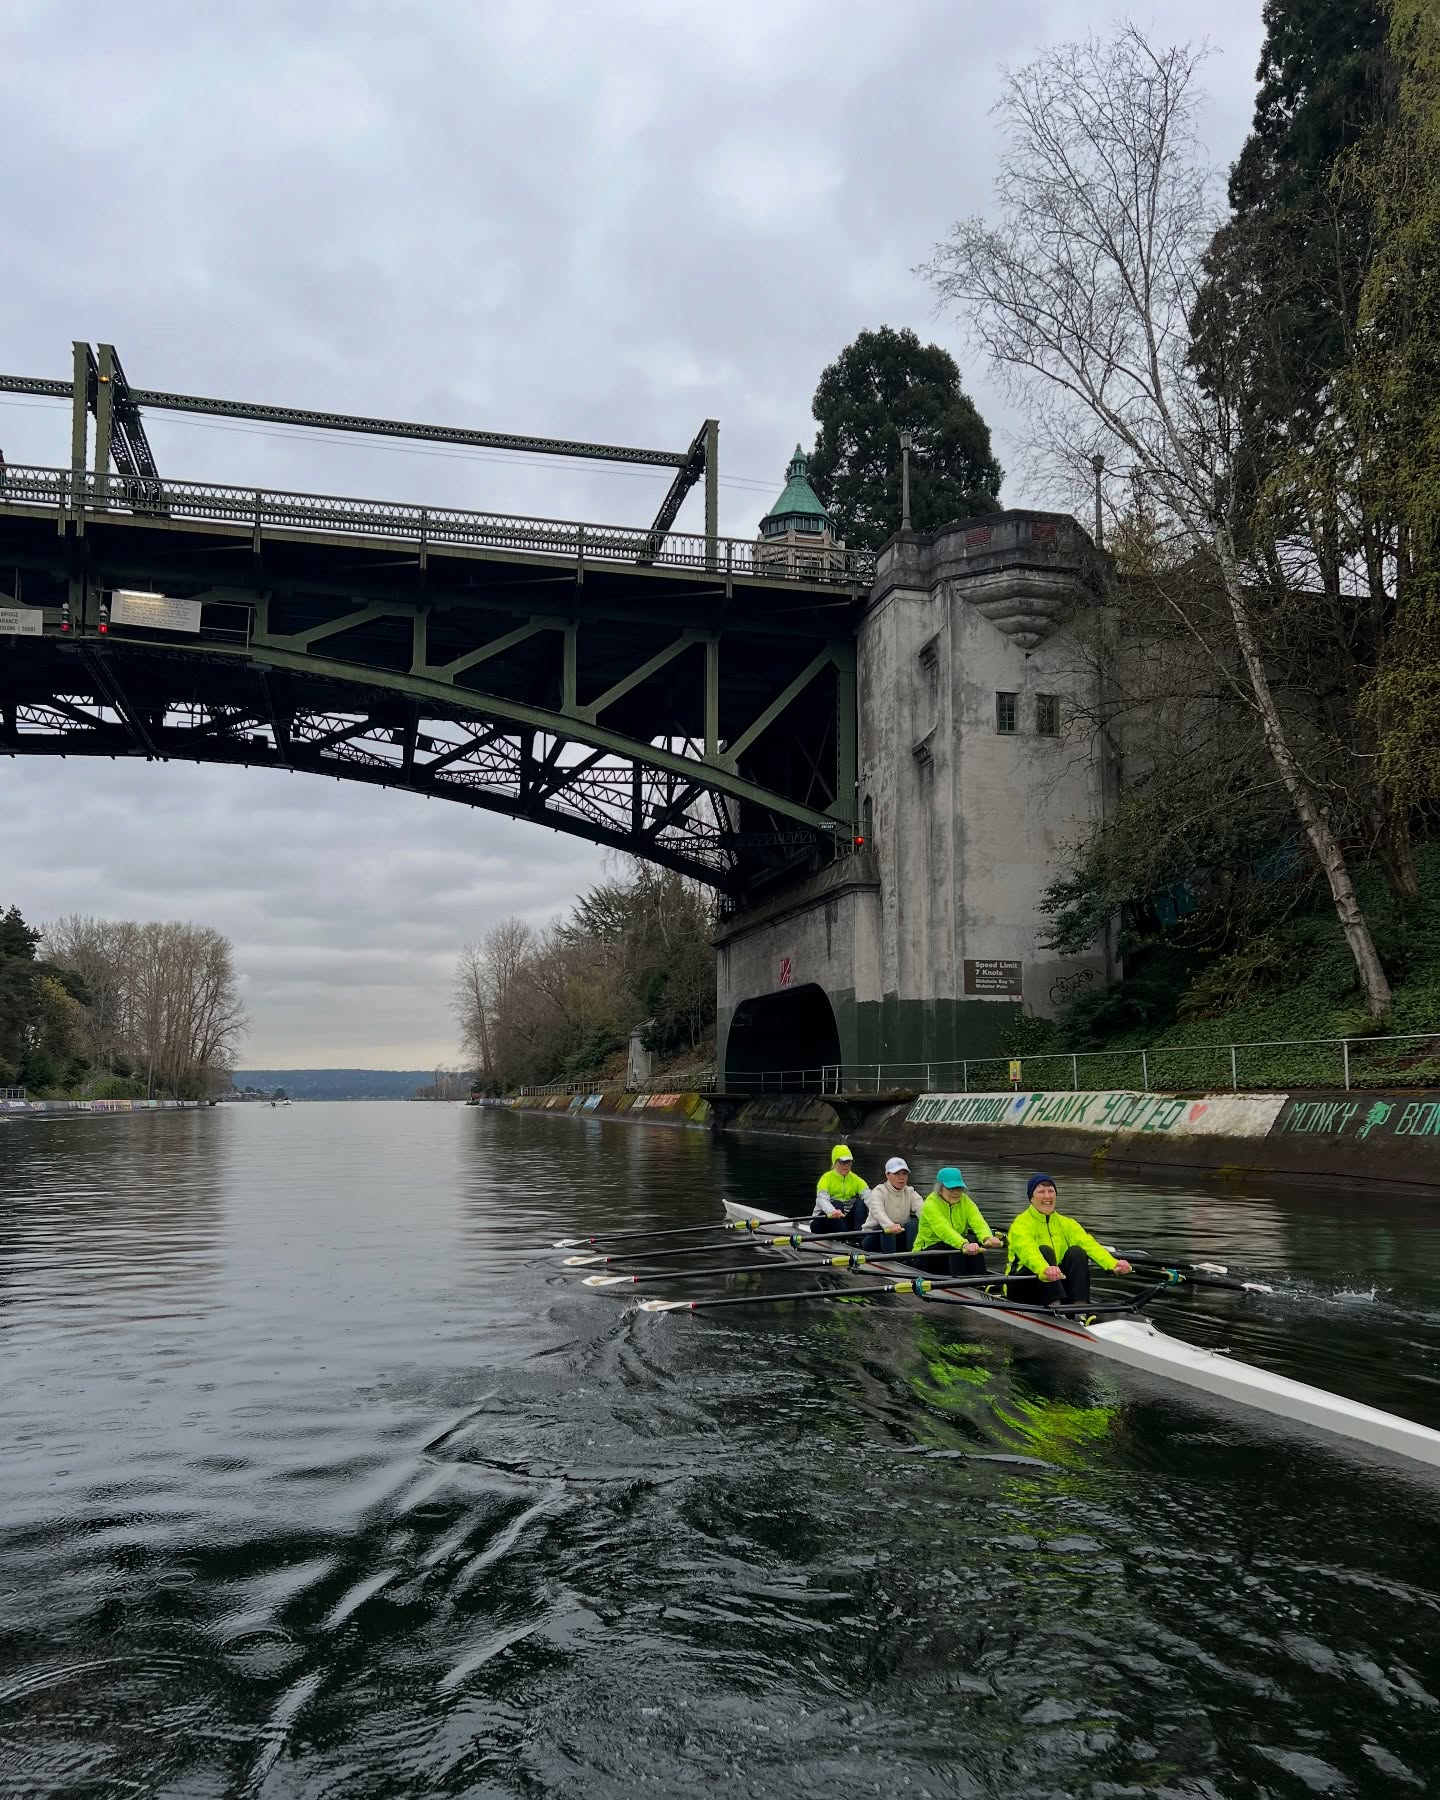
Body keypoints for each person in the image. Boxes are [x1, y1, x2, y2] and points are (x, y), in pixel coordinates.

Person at [1004, 1173, 1132, 1307]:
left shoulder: (1067, 1224)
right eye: (1041, 1191)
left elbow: (1090, 1245)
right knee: (1045, 1251)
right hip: (1022, 1285)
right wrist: (1044, 1269)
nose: (1047, 1196)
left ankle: (1080, 1308)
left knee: (1077, 1252)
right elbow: (1028, 1252)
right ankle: (1055, 1308)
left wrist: (1113, 1264)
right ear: (1031, 1198)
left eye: (1051, 1191)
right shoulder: (1021, 1224)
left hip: (1054, 1282)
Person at [912, 1167, 1004, 1276]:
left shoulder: (965, 1201)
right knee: (956, 1244)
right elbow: (944, 1230)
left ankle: (981, 1279)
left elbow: (978, 1221)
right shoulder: (931, 1203)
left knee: (973, 1240)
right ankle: (961, 1281)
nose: (956, 1192)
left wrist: (987, 1237)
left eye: (959, 1188)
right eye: (951, 1188)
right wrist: (963, 1244)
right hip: (926, 1254)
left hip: (953, 1252)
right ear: (940, 1188)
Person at [858, 1156, 925, 1252]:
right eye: (896, 1173)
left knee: (913, 1224)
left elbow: (922, 1209)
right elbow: (878, 1213)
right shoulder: (879, 1191)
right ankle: (890, 1261)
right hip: (873, 1236)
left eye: (904, 1173)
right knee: (886, 1228)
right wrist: (890, 1225)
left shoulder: (910, 1192)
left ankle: (913, 1258)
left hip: (898, 1236)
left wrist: (934, 1226)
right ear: (887, 1175)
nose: (901, 1177)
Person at [811, 1144, 868, 1236]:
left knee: (862, 1202)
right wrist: (832, 1211)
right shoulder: (826, 1179)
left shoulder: (857, 1180)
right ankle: (845, 1236)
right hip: (823, 1221)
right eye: (842, 1162)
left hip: (844, 1222)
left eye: (848, 1162)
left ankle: (858, 1236)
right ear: (834, 1162)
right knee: (838, 1204)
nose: (845, 1165)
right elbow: (822, 1200)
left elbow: (870, 1198)